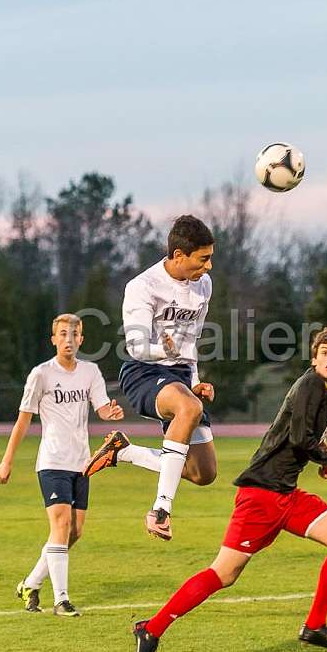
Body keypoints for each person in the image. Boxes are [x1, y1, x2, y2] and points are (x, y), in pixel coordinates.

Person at [130, 327, 327, 652]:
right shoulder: (312, 385)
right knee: (223, 574)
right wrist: (323, 458)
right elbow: (300, 438)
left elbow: (308, 436)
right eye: (324, 352)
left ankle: (314, 626)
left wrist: (325, 454)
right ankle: (151, 628)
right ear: (314, 360)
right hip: (262, 496)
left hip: (286, 493)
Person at [92, 215, 217, 542]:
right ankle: (160, 510)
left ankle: (123, 452)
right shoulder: (142, 287)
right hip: (143, 371)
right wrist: (162, 350)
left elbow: (191, 343)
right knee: (188, 409)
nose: (209, 266)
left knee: (203, 473)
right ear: (178, 256)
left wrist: (194, 383)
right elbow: (135, 346)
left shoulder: (203, 285)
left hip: (179, 377)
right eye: (203, 259)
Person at [0, 314, 124, 617]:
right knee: (61, 525)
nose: (68, 339)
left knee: (74, 532)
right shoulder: (41, 374)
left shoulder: (90, 372)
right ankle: (61, 599)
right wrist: (7, 460)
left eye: (74, 333)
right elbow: (23, 420)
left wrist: (111, 413)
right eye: (62, 334)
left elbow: (101, 407)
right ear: (53, 340)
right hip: (52, 461)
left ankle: (30, 583)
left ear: (81, 339)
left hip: (83, 463)